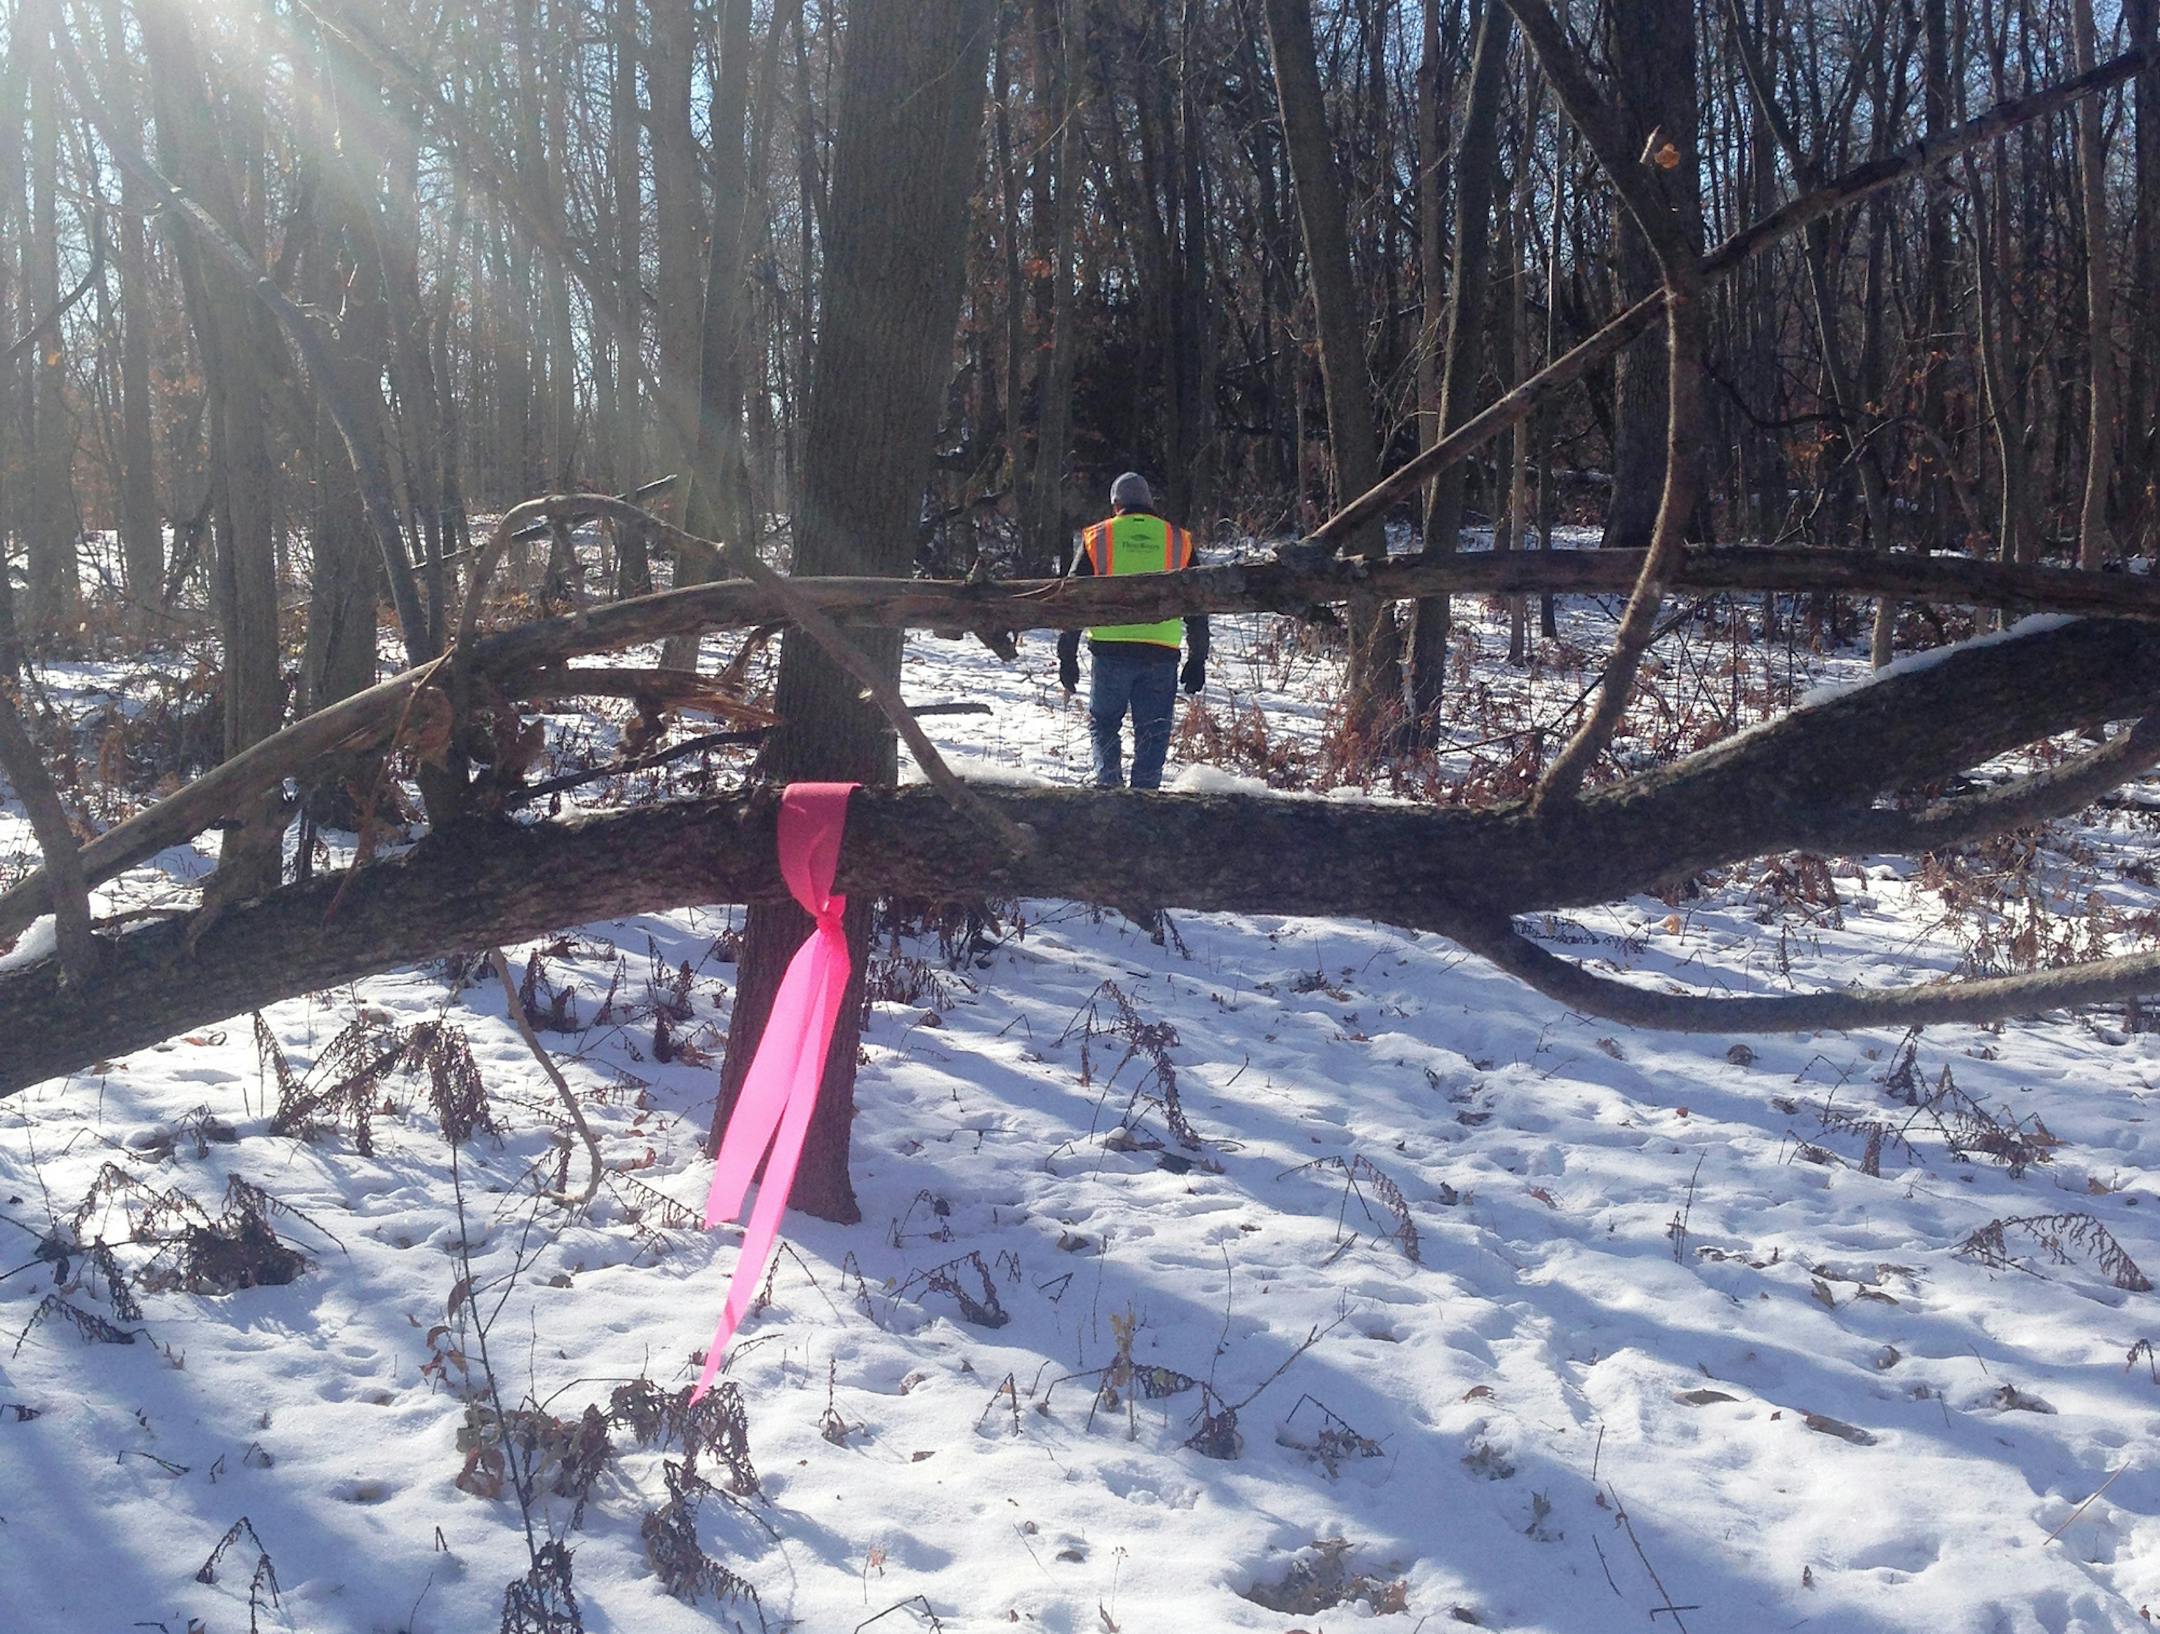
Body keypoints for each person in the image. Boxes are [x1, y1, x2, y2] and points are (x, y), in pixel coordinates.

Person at [1057, 472, 1208, 790]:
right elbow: (1198, 602)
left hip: (1111, 651)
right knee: (1153, 731)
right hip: (1162, 653)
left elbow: (1073, 598)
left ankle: (1109, 792)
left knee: (1104, 725)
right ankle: (1146, 800)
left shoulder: (1097, 537)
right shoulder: (1179, 539)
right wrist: (1198, 657)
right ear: (1150, 503)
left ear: (1116, 504)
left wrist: (1067, 652)